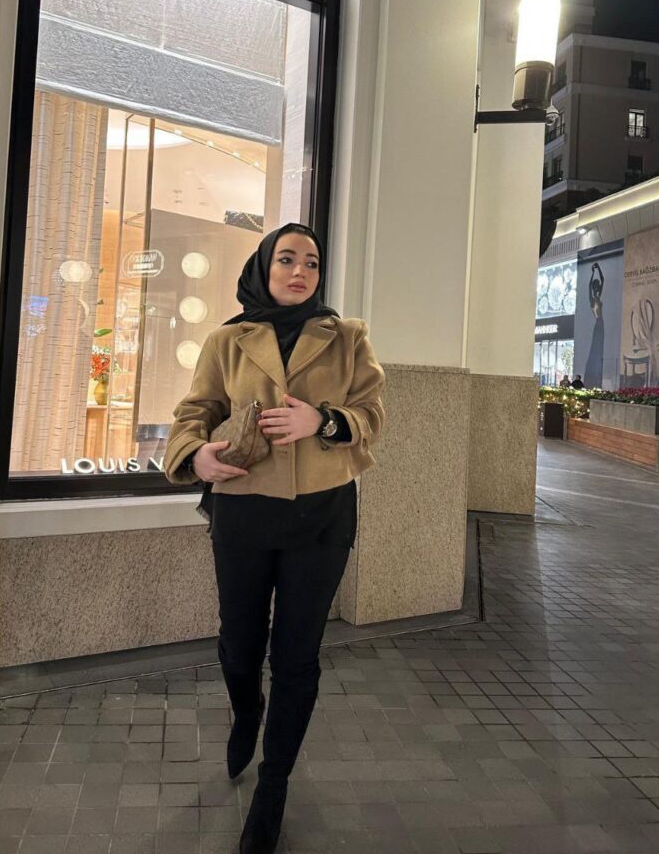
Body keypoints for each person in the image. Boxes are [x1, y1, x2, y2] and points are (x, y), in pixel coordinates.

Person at [164, 223, 385, 854]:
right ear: (263, 268)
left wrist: (326, 421)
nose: (299, 272)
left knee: (296, 655)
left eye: (311, 263)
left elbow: (372, 413)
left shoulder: (348, 337)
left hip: (321, 517)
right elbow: (195, 412)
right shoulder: (227, 339)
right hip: (242, 512)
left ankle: (274, 783)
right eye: (286, 259)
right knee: (239, 646)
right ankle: (247, 711)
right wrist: (195, 455)